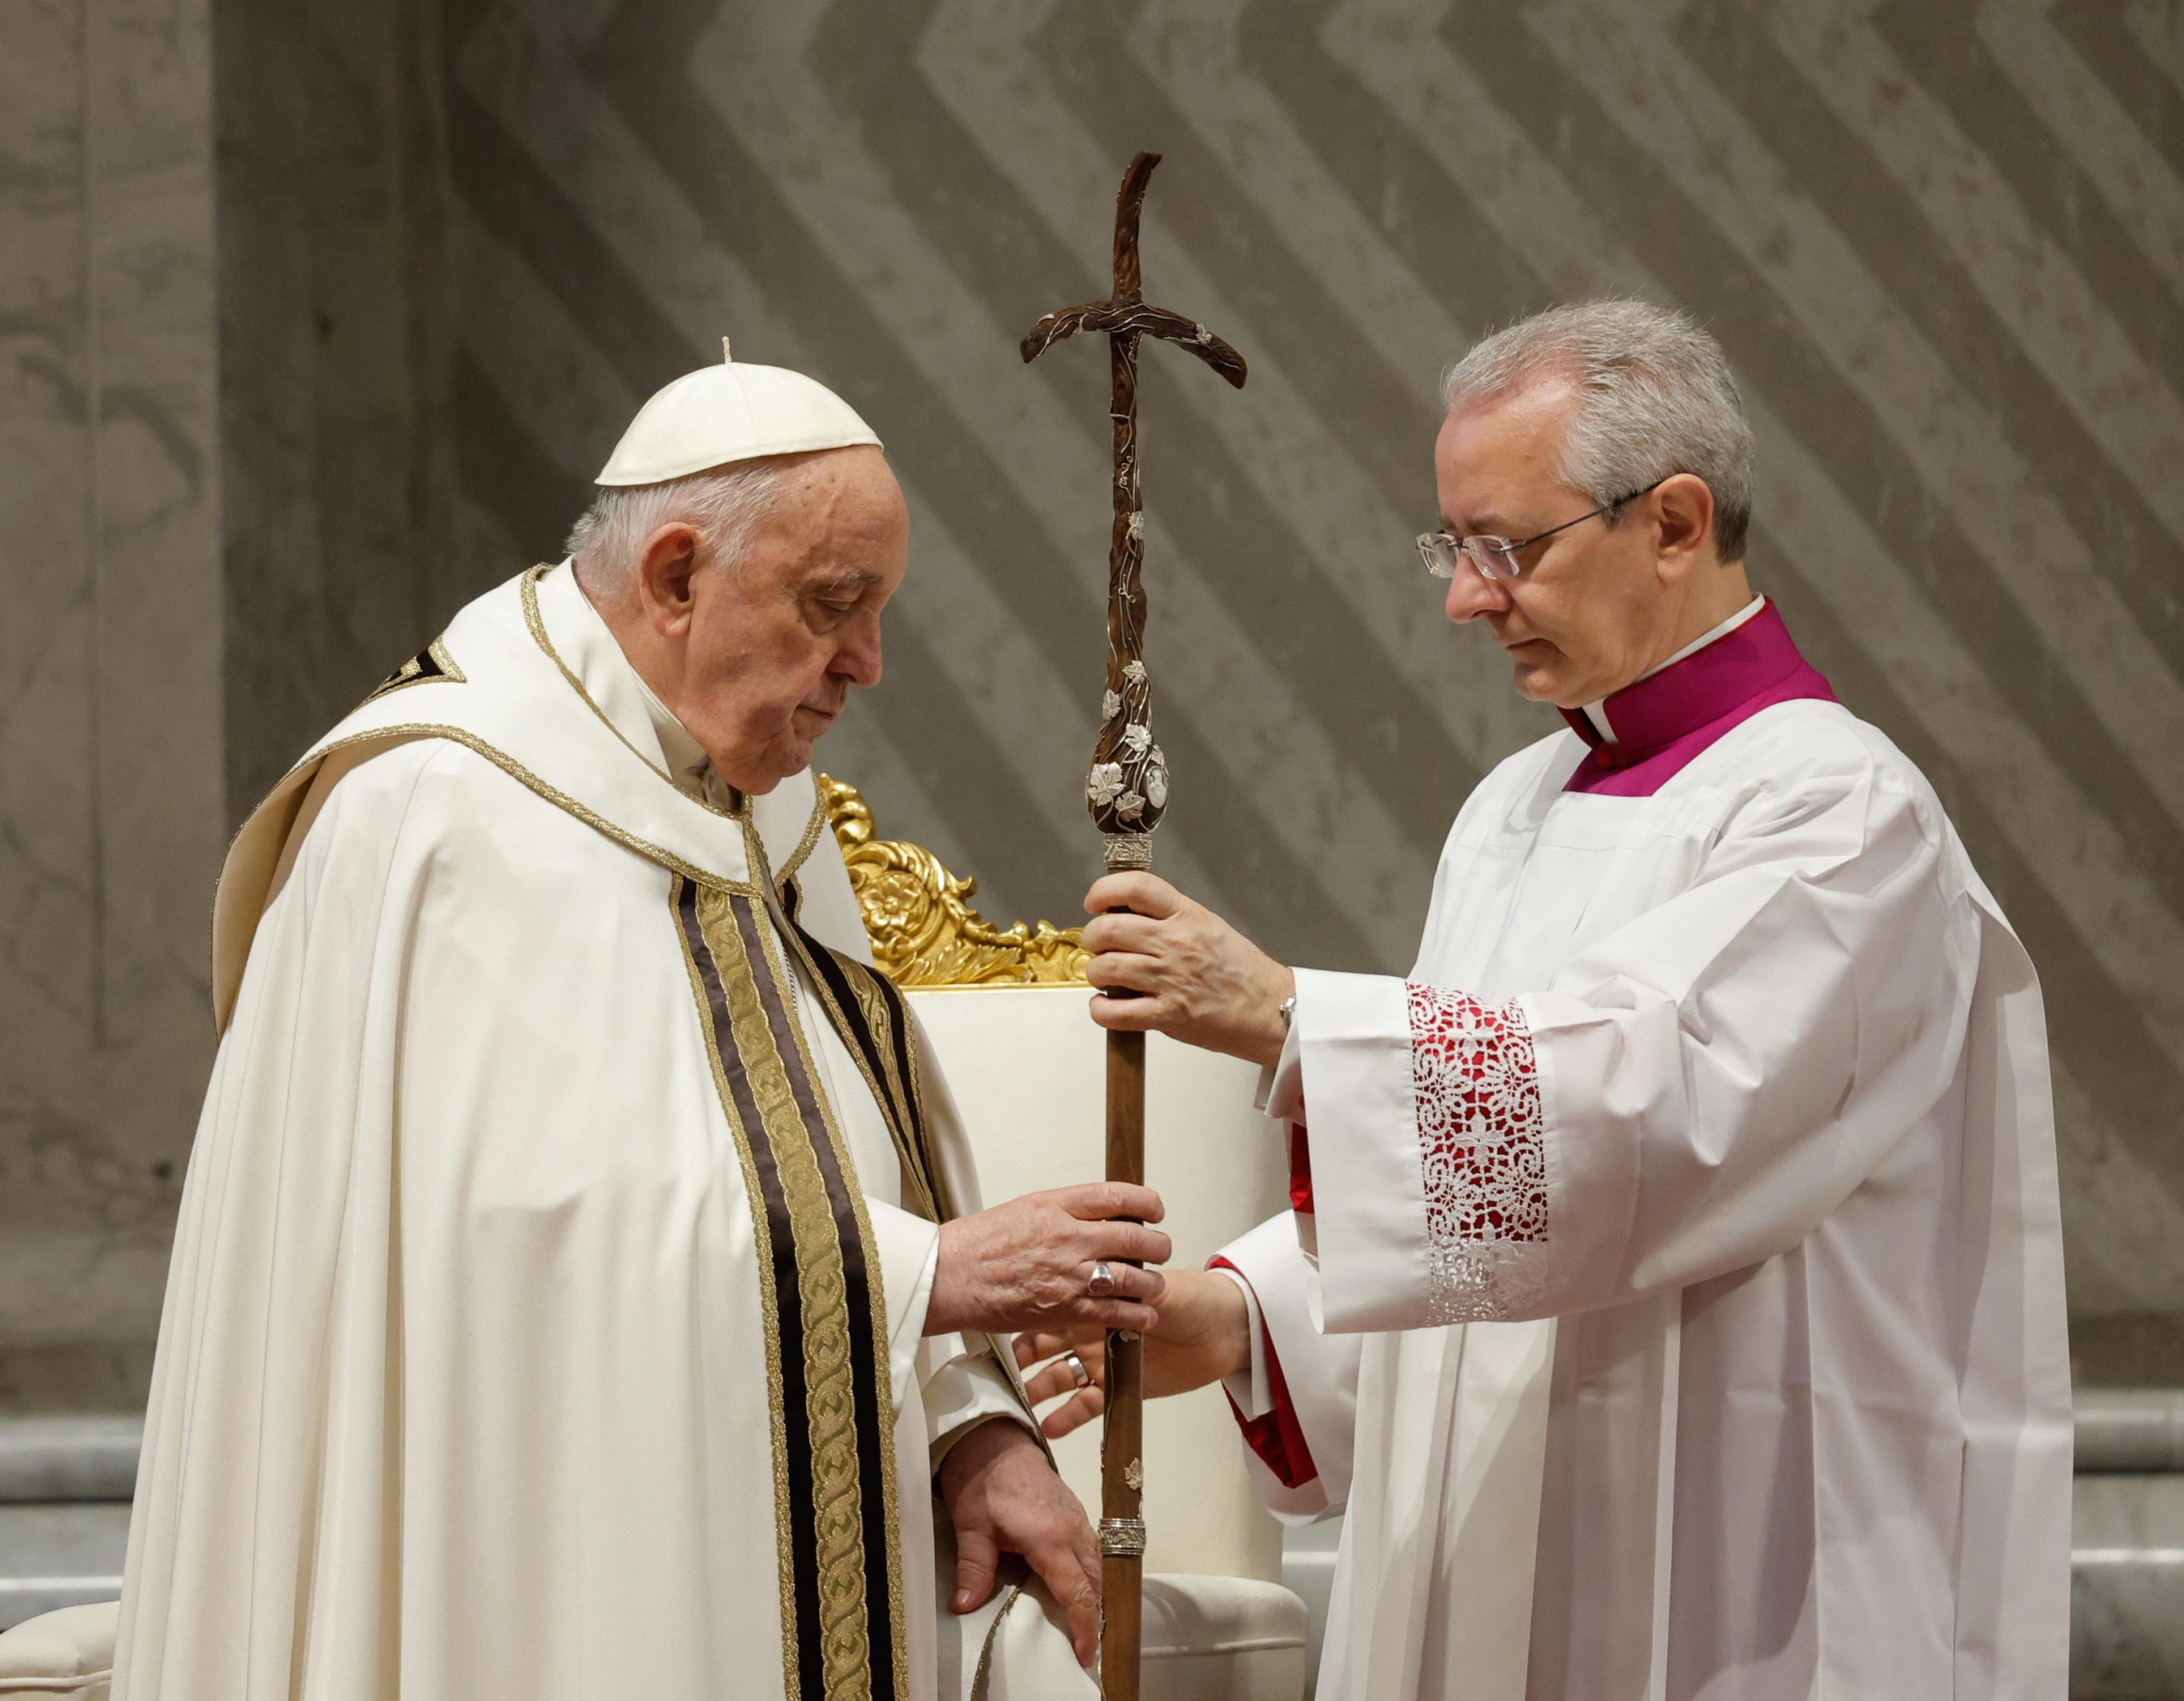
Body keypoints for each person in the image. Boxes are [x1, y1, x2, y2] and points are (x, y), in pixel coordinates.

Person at [1019, 300, 2071, 1699]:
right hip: (1485, 1572)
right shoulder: (1513, 807)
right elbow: (1476, 1217)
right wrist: (1242, 1322)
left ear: (1676, 522)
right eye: (1453, 547)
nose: (1464, 594)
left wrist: (1287, 1020)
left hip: (1735, 1586)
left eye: (1507, 547)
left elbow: (1644, 1120)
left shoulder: (1841, 817)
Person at [113, 345, 1163, 1700]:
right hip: (525, 1567)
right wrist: (929, 1277)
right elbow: (518, 1264)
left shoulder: (758, 813)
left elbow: (850, 1163)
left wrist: (973, 1425)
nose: (870, 663)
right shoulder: (442, 810)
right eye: (834, 604)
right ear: (674, 578)